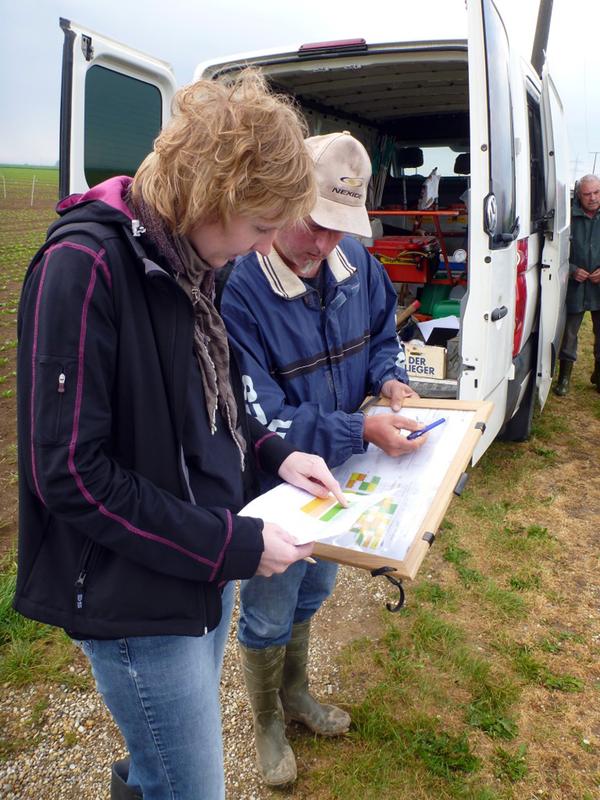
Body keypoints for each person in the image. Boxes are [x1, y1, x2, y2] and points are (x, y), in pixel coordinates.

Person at [14, 71, 348, 800]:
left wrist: (274, 452)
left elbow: (219, 397)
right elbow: (69, 473)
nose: (265, 247)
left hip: (200, 564)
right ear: (215, 195)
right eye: (261, 227)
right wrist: (231, 546)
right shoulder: (84, 266)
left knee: (156, 763)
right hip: (134, 593)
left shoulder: (194, 262)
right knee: (194, 785)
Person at [221, 131, 427, 787]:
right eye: (313, 224)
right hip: (272, 482)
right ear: (280, 203)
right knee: (269, 606)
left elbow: (380, 339)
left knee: (317, 586)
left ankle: (297, 694)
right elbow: (259, 411)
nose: (323, 245)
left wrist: (392, 380)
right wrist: (361, 427)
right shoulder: (240, 289)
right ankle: (267, 725)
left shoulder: (356, 263)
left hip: (337, 475)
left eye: (339, 230)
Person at [554, 174, 600, 396]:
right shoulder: (568, 218)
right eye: (587, 194)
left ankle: (599, 375)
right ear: (578, 195)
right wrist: (572, 270)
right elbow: (558, 250)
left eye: (596, 193)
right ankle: (564, 378)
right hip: (575, 287)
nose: (592, 198)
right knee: (569, 333)